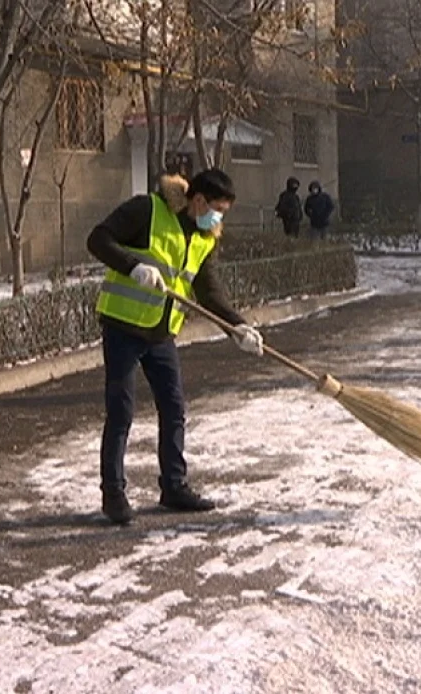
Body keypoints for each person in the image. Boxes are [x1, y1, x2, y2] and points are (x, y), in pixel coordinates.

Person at [87, 169, 266, 525]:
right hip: (123, 326)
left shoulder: (204, 237)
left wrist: (238, 327)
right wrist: (133, 265)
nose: (218, 218)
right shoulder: (148, 210)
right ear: (197, 200)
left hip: (161, 334)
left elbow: (208, 291)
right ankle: (114, 494)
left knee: (174, 409)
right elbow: (98, 239)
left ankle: (173, 486)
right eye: (216, 209)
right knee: (121, 411)